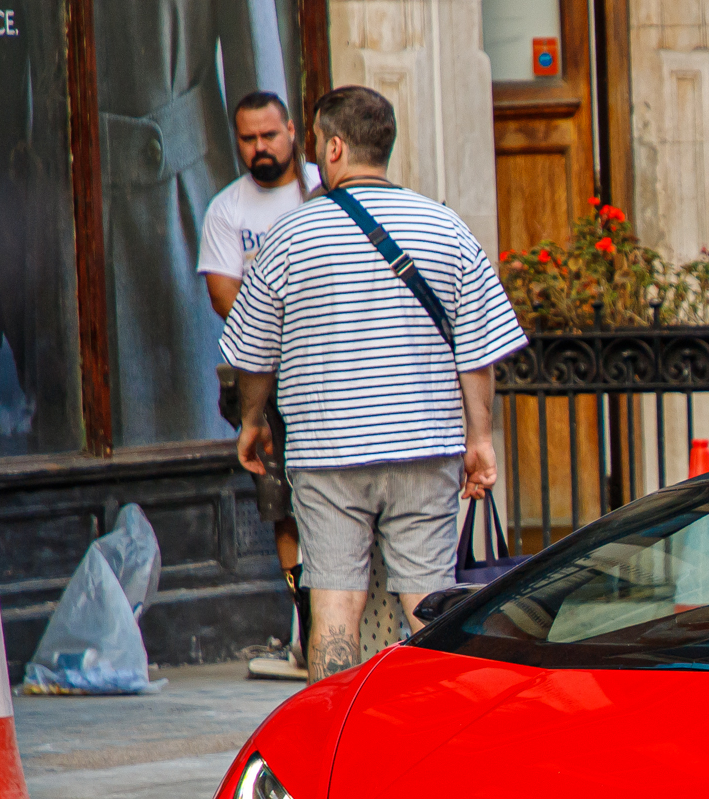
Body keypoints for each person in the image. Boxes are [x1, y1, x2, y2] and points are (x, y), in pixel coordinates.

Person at [220, 85, 522, 680]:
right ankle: (442, 730)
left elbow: (253, 354)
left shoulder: (290, 236)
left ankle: (333, 749)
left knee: (333, 604)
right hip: (423, 447)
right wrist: (479, 439)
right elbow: (479, 349)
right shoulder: (446, 228)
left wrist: (254, 422)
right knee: (430, 603)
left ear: (334, 148)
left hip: (328, 453)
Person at [198, 90, 319, 682]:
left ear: (292, 131)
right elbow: (224, 298)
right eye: (248, 138)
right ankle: (306, 627)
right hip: (265, 384)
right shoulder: (228, 209)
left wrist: (268, 297)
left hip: (332, 378)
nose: (260, 147)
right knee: (284, 510)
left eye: (269, 135)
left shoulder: (327, 190)